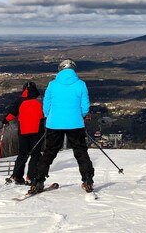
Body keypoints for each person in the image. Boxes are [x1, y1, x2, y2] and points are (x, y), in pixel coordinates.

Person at [29, 59, 94, 194]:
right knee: (81, 152)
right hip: (75, 123)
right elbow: (85, 106)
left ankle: (37, 180)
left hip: (54, 123)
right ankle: (87, 179)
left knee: (49, 152)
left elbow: (46, 104)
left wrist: (49, 115)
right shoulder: (81, 84)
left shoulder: (52, 85)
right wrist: (80, 115)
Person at [3, 81, 45, 185]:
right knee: (35, 154)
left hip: (23, 131)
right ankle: (31, 176)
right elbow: (47, 112)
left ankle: (17, 176)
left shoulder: (19, 101)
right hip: (37, 131)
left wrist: (5, 120)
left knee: (22, 153)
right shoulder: (40, 101)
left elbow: (12, 114)